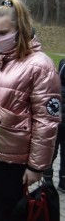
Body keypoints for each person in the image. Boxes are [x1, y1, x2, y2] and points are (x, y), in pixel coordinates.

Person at [0, 0, 61, 221]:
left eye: (3, 33)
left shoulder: (39, 65)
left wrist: (37, 166)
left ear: (21, 30)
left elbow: (46, 122)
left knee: (10, 213)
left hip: (12, 161)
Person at [43, 58, 65, 192]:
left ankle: (47, 179)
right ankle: (62, 181)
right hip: (57, 125)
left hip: (56, 125)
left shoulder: (54, 87)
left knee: (51, 152)